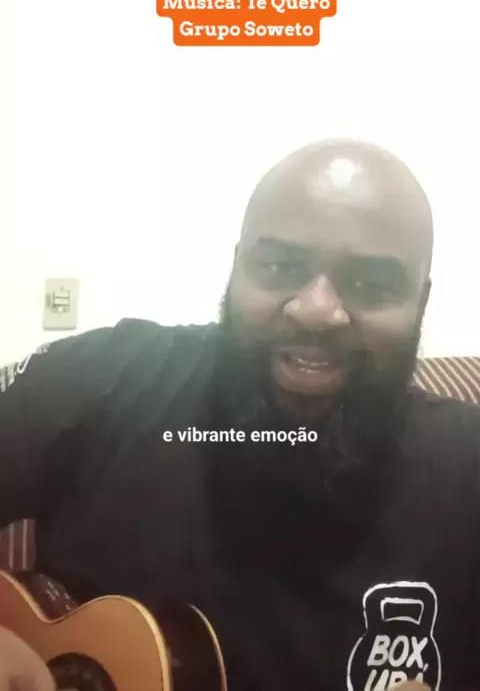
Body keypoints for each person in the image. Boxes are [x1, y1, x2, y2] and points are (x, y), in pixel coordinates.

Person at [0, 138, 478, 691]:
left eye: (371, 284)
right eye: (279, 266)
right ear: (236, 268)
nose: (316, 310)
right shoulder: (106, 377)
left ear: (420, 301)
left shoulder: (466, 469)